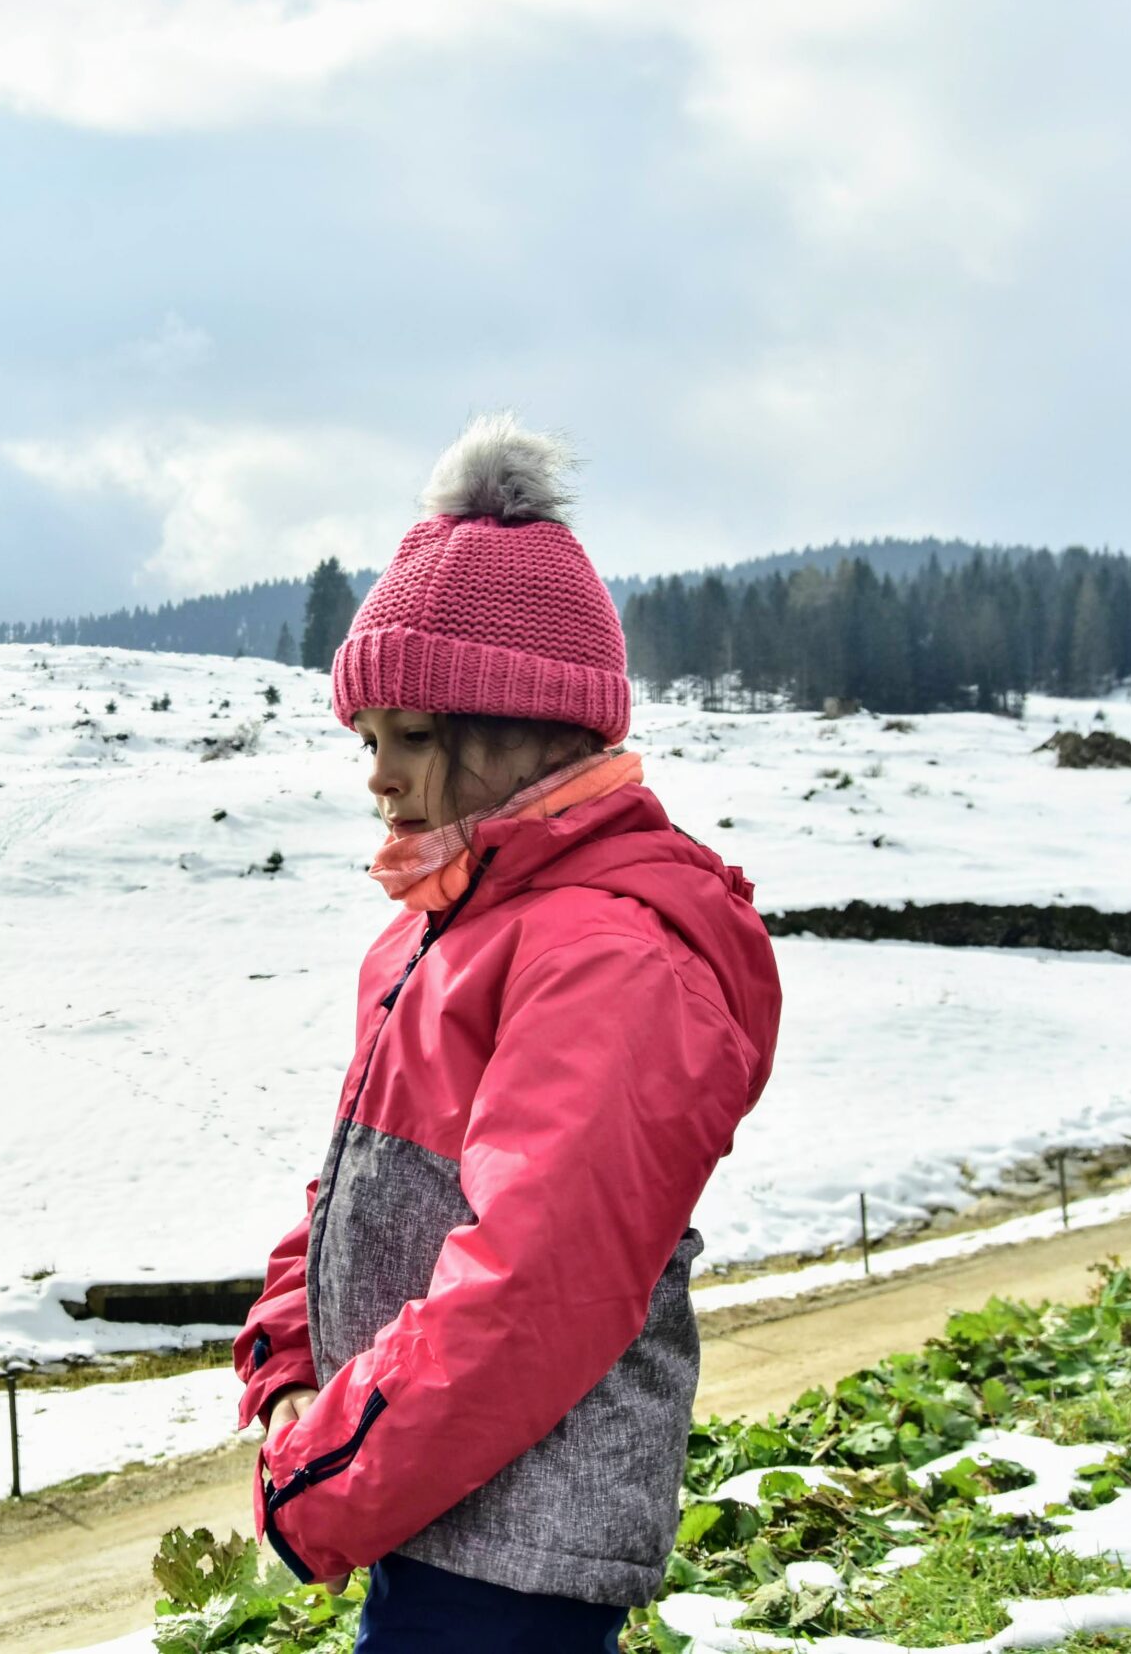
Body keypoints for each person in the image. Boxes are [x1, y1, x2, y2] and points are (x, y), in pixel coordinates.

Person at [231, 414, 783, 1652]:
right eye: (368, 740)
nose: (378, 776)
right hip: (426, 1493)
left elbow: (534, 1283)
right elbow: (356, 1184)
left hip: (519, 1546)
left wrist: (330, 1469)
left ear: (536, 729)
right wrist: (286, 1359)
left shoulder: (607, 954)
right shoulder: (447, 924)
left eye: (413, 738)